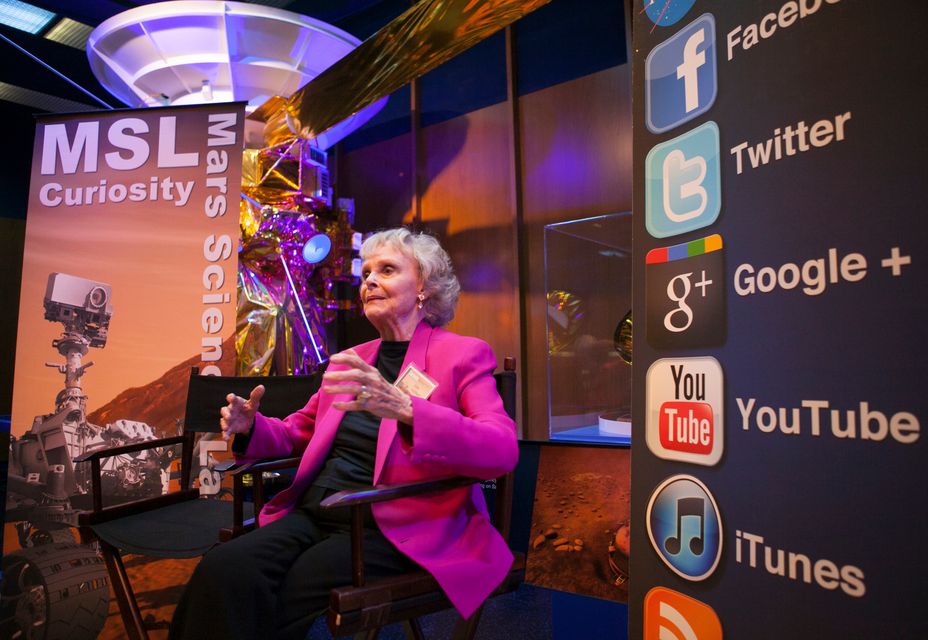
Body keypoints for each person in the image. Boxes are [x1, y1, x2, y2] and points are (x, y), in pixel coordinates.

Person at [169, 228, 518, 640]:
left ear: (424, 287)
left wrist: (409, 410)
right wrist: (251, 427)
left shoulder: (462, 354)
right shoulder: (349, 361)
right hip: (318, 511)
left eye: (387, 270)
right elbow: (298, 431)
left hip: (395, 525)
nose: (369, 281)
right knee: (224, 568)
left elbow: (501, 449)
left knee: (286, 592)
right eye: (366, 272)